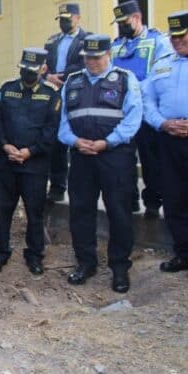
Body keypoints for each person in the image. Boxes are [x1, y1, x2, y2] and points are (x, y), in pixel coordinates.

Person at [58, 35, 142, 293]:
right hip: (82, 156)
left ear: (109, 55)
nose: (91, 62)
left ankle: (119, 268)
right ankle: (85, 263)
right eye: (87, 57)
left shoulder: (126, 79)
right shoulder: (73, 81)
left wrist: (108, 142)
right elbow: (62, 124)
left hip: (115, 156)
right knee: (81, 212)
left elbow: (133, 118)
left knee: (119, 212)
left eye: (96, 57)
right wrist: (74, 141)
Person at [0, 48, 61, 275]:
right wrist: (4, 144)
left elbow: (51, 131)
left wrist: (30, 151)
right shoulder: (7, 90)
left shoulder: (51, 95)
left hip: (35, 164)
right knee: (2, 209)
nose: (28, 74)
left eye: (33, 71)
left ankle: (35, 255)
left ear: (43, 69)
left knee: (34, 211)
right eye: (24, 70)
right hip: (7, 161)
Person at [111, 0, 173, 218]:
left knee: (151, 159)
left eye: (125, 21)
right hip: (122, 113)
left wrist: (136, 92)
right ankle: (131, 199)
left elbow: (161, 75)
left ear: (137, 17)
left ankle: (153, 202)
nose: (121, 26)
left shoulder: (158, 41)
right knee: (124, 159)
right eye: (118, 23)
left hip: (147, 112)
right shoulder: (116, 45)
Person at [142, 9, 188, 273]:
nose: (177, 41)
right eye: (174, 36)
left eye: (182, 35)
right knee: (174, 199)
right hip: (169, 140)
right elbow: (147, 100)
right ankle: (183, 253)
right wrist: (162, 122)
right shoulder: (161, 64)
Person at [43, 3, 91, 202]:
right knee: (56, 141)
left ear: (77, 18)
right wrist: (48, 76)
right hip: (54, 92)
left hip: (77, 92)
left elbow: (85, 64)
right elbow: (42, 65)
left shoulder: (87, 39)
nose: (64, 22)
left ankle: (82, 187)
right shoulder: (53, 41)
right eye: (61, 19)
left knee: (77, 136)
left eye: (67, 19)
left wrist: (63, 75)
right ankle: (57, 185)